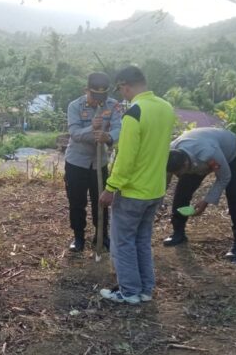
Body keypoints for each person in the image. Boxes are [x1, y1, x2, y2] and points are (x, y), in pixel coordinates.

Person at [97, 66, 177, 305]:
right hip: (155, 188)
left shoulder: (134, 113)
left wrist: (111, 188)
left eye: (121, 89)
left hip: (133, 191)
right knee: (141, 239)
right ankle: (145, 289)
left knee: (123, 242)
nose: (122, 93)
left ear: (126, 86)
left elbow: (126, 157)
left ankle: (129, 291)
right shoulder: (166, 107)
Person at [164, 127, 236, 259]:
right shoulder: (171, 154)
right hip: (199, 150)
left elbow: (224, 177)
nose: (178, 175)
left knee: (235, 194)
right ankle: (178, 232)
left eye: (179, 173)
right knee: (182, 190)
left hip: (231, 152)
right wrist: (157, 199)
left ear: (186, 163)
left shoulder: (209, 153)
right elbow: (165, 180)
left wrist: (206, 201)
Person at [64, 72, 123, 252]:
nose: (98, 101)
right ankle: (78, 237)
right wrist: (92, 128)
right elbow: (74, 133)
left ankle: (101, 235)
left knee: (102, 201)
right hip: (76, 162)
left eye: (101, 96)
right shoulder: (75, 106)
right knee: (76, 201)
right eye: (94, 96)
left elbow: (119, 128)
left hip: (100, 163)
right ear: (86, 90)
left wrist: (108, 136)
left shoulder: (113, 106)